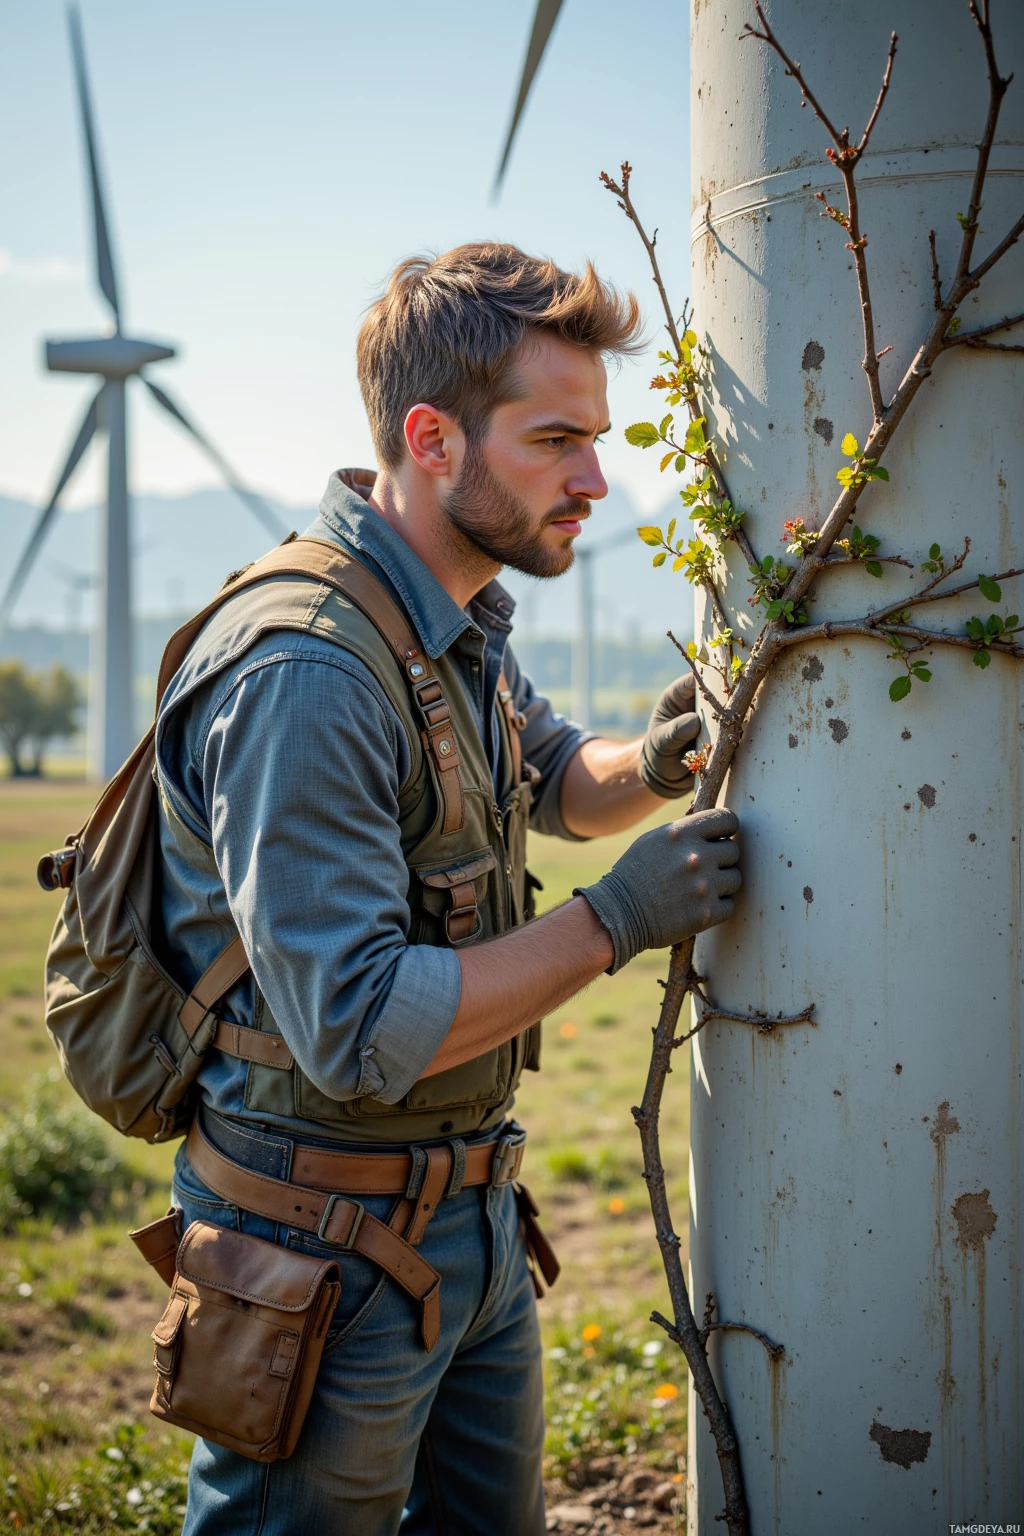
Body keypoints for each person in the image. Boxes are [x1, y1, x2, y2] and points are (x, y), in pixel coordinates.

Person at [156, 243, 741, 1535]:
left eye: (595, 438)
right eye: (556, 442)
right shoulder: (309, 670)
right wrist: (617, 920)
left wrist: (655, 757)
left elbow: (559, 784)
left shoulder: (450, 613)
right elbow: (359, 1026)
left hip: (465, 1226)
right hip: (316, 1251)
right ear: (432, 439)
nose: (596, 479)